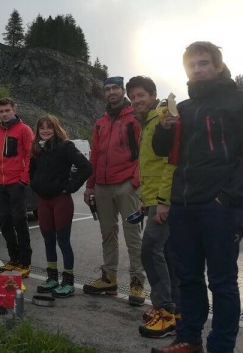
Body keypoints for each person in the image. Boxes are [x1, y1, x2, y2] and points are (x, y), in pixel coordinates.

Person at [151, 42, 243, 353]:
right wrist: (165, 128)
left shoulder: (237, 102)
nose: (198, 69)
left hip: (220, 207)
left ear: (218, 66)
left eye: (204, 63)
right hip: (183, 205)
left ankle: (221, 346)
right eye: (192, 65)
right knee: (188, 278)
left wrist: (228, 197)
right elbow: (162, 150)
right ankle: (189, 340)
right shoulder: (184, 108)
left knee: (222, 281)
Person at [82, 76, 146, 306]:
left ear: (122, 91)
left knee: (132, 236)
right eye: (107, 89)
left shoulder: (134, 118)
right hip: (102, 186)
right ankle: (109, 279)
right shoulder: (101, 122)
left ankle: (137, 282)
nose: (111, 92)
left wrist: (135, 182)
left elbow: (144, 152)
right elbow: (95, 155)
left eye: (115, 88)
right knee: (107, 234)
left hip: (126, 184)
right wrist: (90, 185)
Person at [126, 76, 180, 339]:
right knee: (168, 256)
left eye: (141, 95)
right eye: (133, 97)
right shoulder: (146, 122)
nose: (136, 101)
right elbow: (149, 166)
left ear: (153, 94)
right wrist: (145, 199)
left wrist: (162, 201)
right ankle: (176, 312)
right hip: (152, 200)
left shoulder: (162, 118)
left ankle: (164, 311)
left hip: (163, 201)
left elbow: (171, 163)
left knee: (149, 251)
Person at [30, 114, 92, 298]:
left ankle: (68, 282)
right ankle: (52, 278)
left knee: (63, 241)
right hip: (43, 201)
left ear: (55, 128)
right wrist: (35, 185)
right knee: (48, 240)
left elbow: (86, 167)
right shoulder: (37, 148)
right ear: (38, 130)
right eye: (42, 128)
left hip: (61, 200)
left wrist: (70, 187)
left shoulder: (66, 146)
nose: (45, 131)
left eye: (49, 127)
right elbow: (31, 171)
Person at [0, 97, 35, 278]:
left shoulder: (24, 130)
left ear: (14, 110)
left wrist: (24, 179)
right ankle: (13, 259)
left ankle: (25, 262)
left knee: (19, 221)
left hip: (16, 183)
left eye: (7, 110)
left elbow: (31, 156)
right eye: (1, 111)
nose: (4, 114)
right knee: (5, 223)